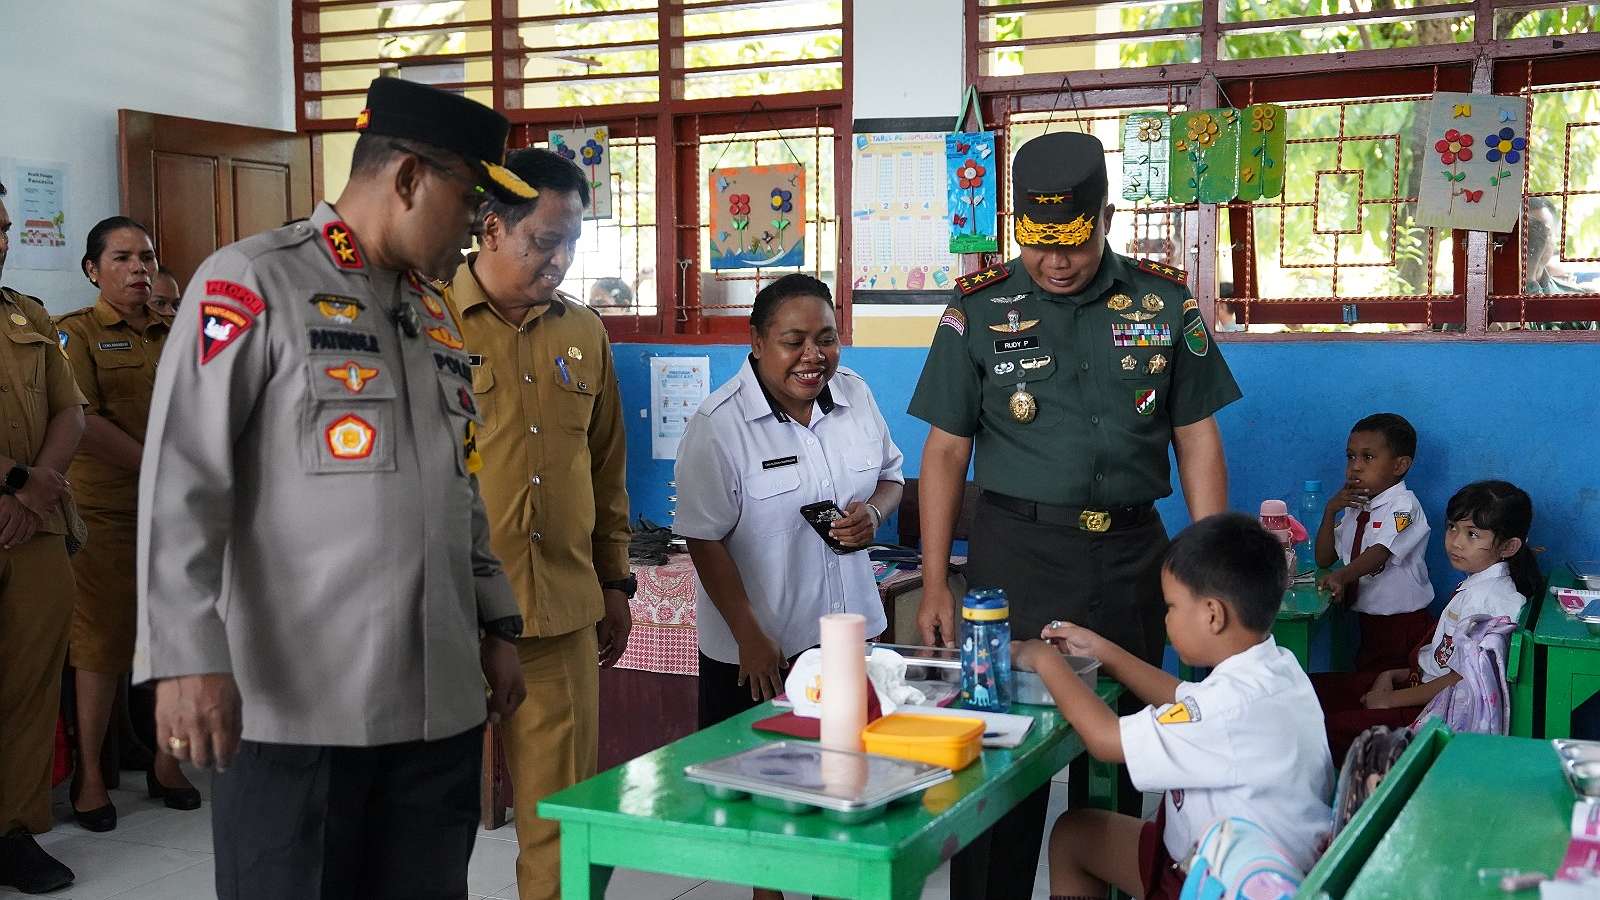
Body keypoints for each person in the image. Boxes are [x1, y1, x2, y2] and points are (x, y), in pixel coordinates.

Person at [134, 76, 534, 899]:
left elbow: (459, 483)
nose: (477, 228)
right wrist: (184, 659)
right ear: (411, 177)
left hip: (437, 711)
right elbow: (183, 480)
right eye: (471, 200)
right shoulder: (250, 283)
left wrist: (498, 622)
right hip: (298, 711)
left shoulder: (432, 311)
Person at [907, 131, 1242, 897]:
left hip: (1134, 558)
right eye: (1037, 244)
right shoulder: (980, 308)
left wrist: (1209, 570)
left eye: (1073, 243)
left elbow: (1196, 439)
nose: (1054, 263)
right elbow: (945, 455)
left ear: (1107, 217)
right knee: (1004, 755)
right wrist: (934, 585)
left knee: (1127, 751)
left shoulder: (1164, 302)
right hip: (1016, 557)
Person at [444, 147, 633, 900]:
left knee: (564, 823)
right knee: (429, 819)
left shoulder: (584, 332)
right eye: (544, 242)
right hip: (446, 614)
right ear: (492, 228)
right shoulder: (425, 319)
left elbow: (605, 466)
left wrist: (616, 578)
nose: (560, 261)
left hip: (556, 613)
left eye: (573, 244)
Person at [1012, 513, 1333, 900]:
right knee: (1075, 835)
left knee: (1075, 839)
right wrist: (1104, 652)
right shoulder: (1277, 670)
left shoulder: (1226, 710)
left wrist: (1043, 661)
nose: (1166, 620)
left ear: (1212, 614)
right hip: (1268, 863)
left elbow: (1106, 740)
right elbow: (1187, 698)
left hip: (1218, 884)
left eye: (1171, 607)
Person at [676, 274, 903, 720]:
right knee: (760, 781)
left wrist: (873, 515)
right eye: (793, 341)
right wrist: (749, 635)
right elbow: (704, 539)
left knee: (850, 774)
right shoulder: (719, 425)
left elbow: (892, 478)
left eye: (826, 339)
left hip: (849, 639)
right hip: (764, 655)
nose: (813, 357)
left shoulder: (855, 394)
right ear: (758, 343)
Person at [55, 216, 196, 831]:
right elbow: (79, 421)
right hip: (107, 510)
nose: (139, 268)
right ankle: (90, 776)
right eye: (122, 258)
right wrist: (155, 465)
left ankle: (169, 761)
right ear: (93, 269)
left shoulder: (184, 330)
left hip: (184, 509)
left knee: (179, 634)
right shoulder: (74, 335)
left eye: (146, 257)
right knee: (102, 644)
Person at [0, 177, 87, 894]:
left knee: (30, 687)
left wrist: (36, 487)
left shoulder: (27, 316)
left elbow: (71, 412)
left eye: (3, 227)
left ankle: (14, 831)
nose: (1, 240)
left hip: (34, 528)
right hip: (19, 502)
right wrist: (15, 480)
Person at [1314, 480, 1536, 760]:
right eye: (1452, 527)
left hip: (1430, 712)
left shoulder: (1490, 600)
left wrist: (1390, 700)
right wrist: (1392, 676)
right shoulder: (1479, 586)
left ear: (1509, 547)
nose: (1455, 541)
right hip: (1417, 685)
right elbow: (1446, 662)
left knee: (1321, 727)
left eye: (1472, 534)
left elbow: (1461, 680)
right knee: (1312, 692)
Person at [1314, 413, 1434, 672]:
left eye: (1367, 457)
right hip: (1368, 621)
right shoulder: (1356, 505)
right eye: (1350, 456)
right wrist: (1330, 511)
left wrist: (1341, 577)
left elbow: (1380, 552)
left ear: (1399, 465)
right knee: (1367, 675)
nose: (1355, 466)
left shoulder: (1405, 507)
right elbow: (1324, 559)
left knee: (1391, 683)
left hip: (1402, 624)